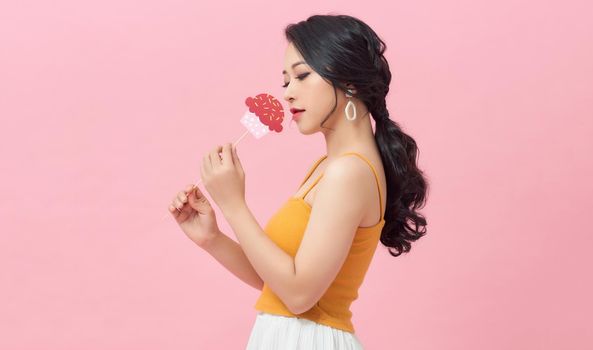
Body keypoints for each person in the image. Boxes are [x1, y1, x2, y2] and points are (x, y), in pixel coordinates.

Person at [167, 14, 429, 349]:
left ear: (349, 82)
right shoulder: (329, 167)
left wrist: (233, 204)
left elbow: (299, 295)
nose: (288, 94)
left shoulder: (349, 172)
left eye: (302, 75)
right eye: (285, 81)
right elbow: (278, 282)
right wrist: (212, 238)